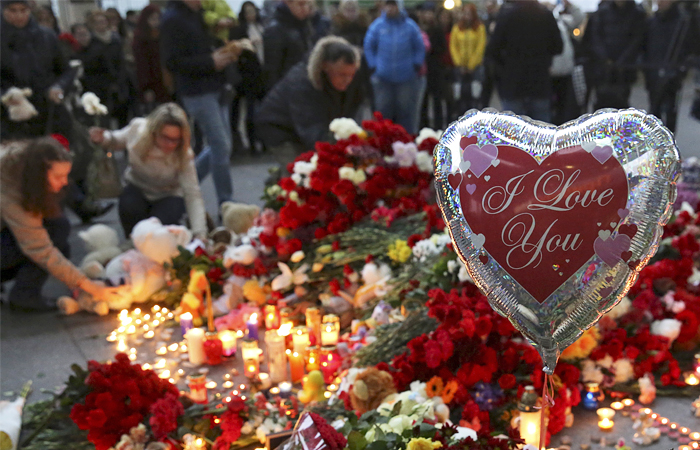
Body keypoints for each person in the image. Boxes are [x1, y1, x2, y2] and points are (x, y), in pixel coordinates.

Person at [1, 138, 122, 311]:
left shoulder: (24, 171)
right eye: (58, 176)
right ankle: (25, 296)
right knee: (53, 237)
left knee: (59, 230)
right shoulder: (9, 190)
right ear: (37, 175)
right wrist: (90, 286)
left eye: (66, 175)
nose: (65, 182)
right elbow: (40, 249)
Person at [160, 0, 241, 206]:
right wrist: (210, 61)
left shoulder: (203, 13)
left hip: (218, 85)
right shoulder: (172, 19)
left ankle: (182, 186)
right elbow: (172, 61)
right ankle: (226, 202)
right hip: (197, 90)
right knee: (220, 145)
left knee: (222, 145)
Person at [89, 103, 208, 238]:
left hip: (168, 194)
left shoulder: (184, 154)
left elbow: (192, 194)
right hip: (137, 188)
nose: (170, 144)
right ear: (153, 132)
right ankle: (132, 241)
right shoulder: (138, 130)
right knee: (130, 208)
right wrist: (103, 138)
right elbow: (117, 140)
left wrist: (200, 233)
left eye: (175, 140)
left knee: (160, 230)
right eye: (165, 138)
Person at [256, 36, 363, 165]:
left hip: (314, 125)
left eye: (351, 74)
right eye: (341, 74)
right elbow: (311, 129)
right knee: (300, 170)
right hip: (280, 128)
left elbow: (353, 112)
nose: (348, 80)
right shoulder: (301, 83)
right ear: (325, 66)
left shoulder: (353, 75)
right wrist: (336, 149)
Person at [1, 0, 73, 140]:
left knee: (56, 152)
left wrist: (59, 87)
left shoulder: (47, 36)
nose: (19, 15)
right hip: (11, 116)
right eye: (13, 10)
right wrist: (5, 96)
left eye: (23, 10)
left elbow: (66, 70)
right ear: (3, 11)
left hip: (49, 111)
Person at [486, 0, 562, 123]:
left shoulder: (507, 15)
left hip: (513, 82)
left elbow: (493, 49)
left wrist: (504, 67)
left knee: (514, 130)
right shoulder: (546, 15)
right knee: (541, 130)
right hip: (539, 81)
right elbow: (558, 47)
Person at [364, 0, 425, 134]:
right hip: (383, 78)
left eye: (393, 4)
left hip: (406, 77)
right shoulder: (377, 26)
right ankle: (383, 140)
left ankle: (406, 139)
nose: (390, 8)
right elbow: (368, 45)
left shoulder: (410, 26)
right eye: (388, 4)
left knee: (406, 112)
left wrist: (416, 64)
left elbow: (419, 47)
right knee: (383, 112)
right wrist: (373, 65)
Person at [642, 0, 699, 133]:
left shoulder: (683, 21)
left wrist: (681, 67)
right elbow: (645, 45)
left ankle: (669, 139)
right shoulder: (652, 22)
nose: (660, 2)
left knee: (670, 109)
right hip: (653, 71)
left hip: (674, 72)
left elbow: (690, 45)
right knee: (654, 110)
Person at [586, 0, 646, 109]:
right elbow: (595, 37)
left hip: (624, 68)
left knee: (621, 102)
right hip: (604, 68)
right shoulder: (603, 12)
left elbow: (637, 40)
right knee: (603, 102)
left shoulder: (636, 13)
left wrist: (623, 60)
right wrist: (605, 58)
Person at [230, 1, 266, 154]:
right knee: (251, 110)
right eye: (248, 12)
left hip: (263, 72)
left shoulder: (261, 26)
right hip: (249, 75)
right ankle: (252, 143)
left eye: (253, 11)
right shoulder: (240, 30)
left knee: (264, 109)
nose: (251, 15)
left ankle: (264, 142)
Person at [86, 9, 129, 127]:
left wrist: (120, 80)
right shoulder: (91, 42)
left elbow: (121, 62)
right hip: (101, 86)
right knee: (104, 119)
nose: (101, 24)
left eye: (103, 21)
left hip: (119, 83)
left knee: (122, 116)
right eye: (98, 22)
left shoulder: (115, 39)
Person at [263, 0, 317, 90]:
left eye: (307, 4)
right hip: (288, 88)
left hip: (304, 84)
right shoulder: (275, 29)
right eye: (301, 4)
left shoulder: (305, 25)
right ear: (287, 3)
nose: (305, 8)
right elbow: (272, 70)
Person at [132, 4, 172, 112]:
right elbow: (142, 65)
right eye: (152, 19)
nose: (156, 21)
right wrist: (146, 88)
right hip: (153, 81)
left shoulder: (164, 35)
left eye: (158, 18)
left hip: (167, 79)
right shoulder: (141, 39)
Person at [449, 3, 486, 115]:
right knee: (459, 93)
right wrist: (459, 63)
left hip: (475, 67)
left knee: (475, 93)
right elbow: (453, 46)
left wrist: (471, 65)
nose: (467, 16)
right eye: (465, 13)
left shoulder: (479, 28)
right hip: (460, 67)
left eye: (469, 13)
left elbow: (480, 47)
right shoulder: (457, 28)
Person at [418, 3, 448, 129]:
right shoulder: (418, 29)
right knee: (423, 100)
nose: (428, 15)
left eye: (430, 13)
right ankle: (423, 125)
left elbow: (443, 48)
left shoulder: (437, 29)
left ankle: (438, 126)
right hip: (422, 69)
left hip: (436, 69)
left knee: (437, 100)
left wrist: (431, 49)